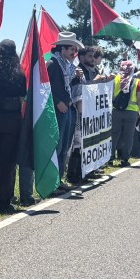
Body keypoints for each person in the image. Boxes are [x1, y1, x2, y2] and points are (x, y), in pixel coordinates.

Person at [0, 40, 27, 214]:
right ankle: (4, 202)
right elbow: (22, 100)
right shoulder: (19, 73)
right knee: (8, 164)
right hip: (12, 121)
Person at [46, 32, 84, 188]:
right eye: (72, 49)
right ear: (62, 49)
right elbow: (46, 87)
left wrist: (75, 78)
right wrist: (57, 102)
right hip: (58, 109)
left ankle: (58, 180)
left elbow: (66, 86)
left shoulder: (67, 65)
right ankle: (52, 181)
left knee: (65, 146)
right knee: (58, 146)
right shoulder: (53, 64)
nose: (74, 53)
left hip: (67, 109)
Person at [110, 60, 140, 168]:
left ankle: (110, 158)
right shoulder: (136, 82)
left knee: (113, 135)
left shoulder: (115, 79)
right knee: (128, 136)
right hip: (131, 112)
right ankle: (125, 159)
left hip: (116, 111)